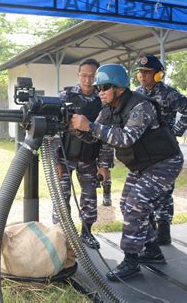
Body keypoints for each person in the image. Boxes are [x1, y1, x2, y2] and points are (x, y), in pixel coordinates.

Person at [70, 64, 183, 281]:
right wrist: (75, 128)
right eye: (98, 88)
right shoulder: (108, 109)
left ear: (119, 87)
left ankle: (131, 260)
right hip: (143, 165)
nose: (99, 92)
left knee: (135, 205)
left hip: (164, 163)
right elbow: (95, 137)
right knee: (126, 205)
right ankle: (151, 249)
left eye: (103, 87)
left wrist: (90, 126)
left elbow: (125, 138)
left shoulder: (141, 107)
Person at [134, 55, 187, 245]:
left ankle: (164, 230)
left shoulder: (170, 93)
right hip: (145, 151)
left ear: (158, 75)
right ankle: (150, 227)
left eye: (147, 73)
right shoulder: (137, 93)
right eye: (140, 73)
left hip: (165, 150)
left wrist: (175, 132)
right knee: (146, 190)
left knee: (165, 191)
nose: (143, 77)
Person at [52, 58, 113, 250]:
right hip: (65, 157)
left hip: (89, 158)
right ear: (78, 75)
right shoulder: (65, 96)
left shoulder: (104, 100)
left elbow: (107, 136)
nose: (87, 80)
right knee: (61, 197)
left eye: (92, 76)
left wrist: (104, 165)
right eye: (84, 75)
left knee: (89, 198)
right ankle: (62, 236)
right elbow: (54, 130)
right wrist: (55, 160)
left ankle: (87, 233)